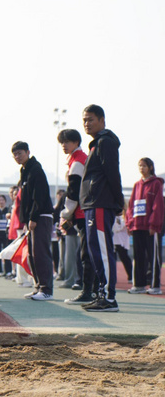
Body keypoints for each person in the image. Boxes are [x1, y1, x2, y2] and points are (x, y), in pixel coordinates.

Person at [79, 104, 124, 312]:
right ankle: (101, 294)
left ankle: (109, 298)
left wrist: (118, 200)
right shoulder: (96, 144)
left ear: (102, 120)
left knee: (102, 251)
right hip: (92, 204)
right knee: (95, 250)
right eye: (84, 120)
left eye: (90, 119)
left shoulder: (105, 142)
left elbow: (113, 173)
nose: (86, 124)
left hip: (100, 204)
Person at [57, 129, 97, 305]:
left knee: (86, 254)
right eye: (62, 143)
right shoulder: (78, 159)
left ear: (76, 142)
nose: (64, 146)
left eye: (67, 142)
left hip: (83, 212)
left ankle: (88, 292)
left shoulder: (78, 162)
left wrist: (67, 213)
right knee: (88, 253)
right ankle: (93, 291)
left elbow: (74, 192)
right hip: (85, 211)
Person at [12, 141, 54, 301]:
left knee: (41, 253)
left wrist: (33, 217)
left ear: (28, 152)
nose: (17, 157)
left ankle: (46, 289)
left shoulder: (36, 170)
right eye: (14, 154)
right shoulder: (25, 171)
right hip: (32, 219)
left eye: (20, 153)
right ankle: (38, 287)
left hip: (41, 217)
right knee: (32, 255)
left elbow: (40, 196)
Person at [125, 157, 164, 295]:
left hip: (150, 227)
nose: (141, 168)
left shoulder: (156, 184)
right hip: (137, 226)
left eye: (144, 166)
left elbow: (158, 205)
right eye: (139, 166)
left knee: (153, 257)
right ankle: (139, 285)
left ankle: (155, 285)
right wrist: (129, 224)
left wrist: (154, 224)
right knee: (138, 256)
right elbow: (131, 206)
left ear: (150, 167)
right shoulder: (136, 185)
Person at [113, 205, 133, 283]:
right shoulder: (112, 214)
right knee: (112, 259)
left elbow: (119, 227)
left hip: (122, 241)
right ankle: (112, 277)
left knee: (124, 258)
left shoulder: (125, 215)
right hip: (113, 240)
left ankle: (131, 276)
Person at [0, 194, 11, 277]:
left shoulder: (8, 211)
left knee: (7, 252)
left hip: (5, 234)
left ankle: (8, 271)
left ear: (5, 201)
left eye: (2, 200)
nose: (1, 201)